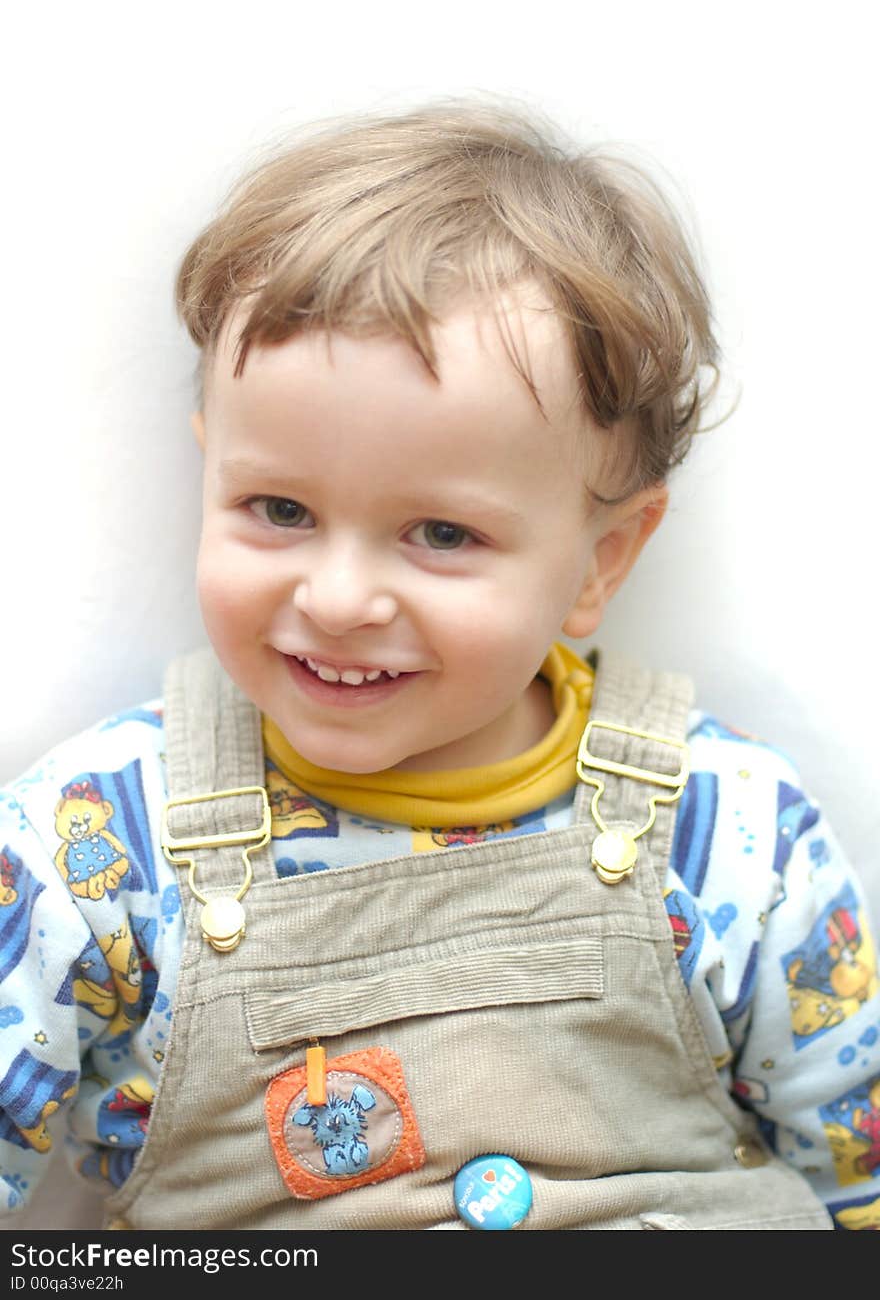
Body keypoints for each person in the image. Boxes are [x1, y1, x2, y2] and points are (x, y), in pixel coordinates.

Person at [1, 101, 877, 1232]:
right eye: (279, 509)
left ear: (596, 562)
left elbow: (856, 1178)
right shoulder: (96, 842)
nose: (339, 599)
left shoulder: (736, 829)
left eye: (442, 535)